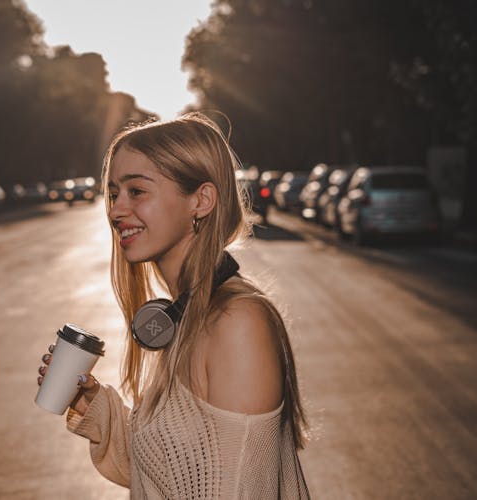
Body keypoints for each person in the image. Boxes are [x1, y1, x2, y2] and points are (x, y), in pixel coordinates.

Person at [36, 113, 310, 499]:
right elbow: (171, 476)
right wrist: (93, 404)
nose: (116, 210)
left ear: (201, 200)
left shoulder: (237, 323)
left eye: (137, 191)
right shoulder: (187, 315)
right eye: (114, 193)